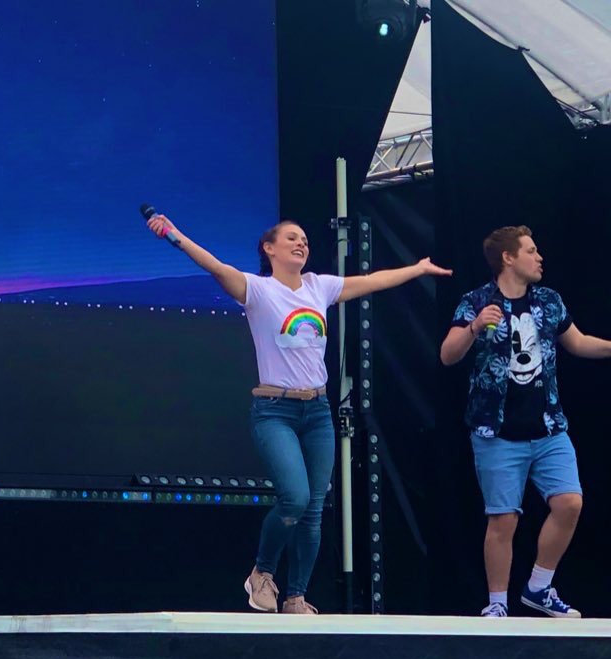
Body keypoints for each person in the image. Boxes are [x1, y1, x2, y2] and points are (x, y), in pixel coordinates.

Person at [147, 213, 450, 613]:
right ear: (269, 248)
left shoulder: (318, 287)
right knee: (295, 498)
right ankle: (262, 573)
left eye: (305, 239)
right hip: (275, 410)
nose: (301, 243)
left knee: (313, 510)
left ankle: (296, 597)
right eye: (291, 238)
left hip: (318, 411)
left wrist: (417, 269)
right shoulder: (258, 290)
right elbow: (215, 266)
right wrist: (175, 235)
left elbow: (371, 281)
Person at [441, 225, 611, 619]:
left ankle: (539, 587)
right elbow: (448, 355)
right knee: (503, 519)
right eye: (531, 251)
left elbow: (578, 342)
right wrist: (474, 327)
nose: (539, 257)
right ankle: (497, 604)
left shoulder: (548, 301)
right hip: (497, 431)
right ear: (508, 257)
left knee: (569, 503)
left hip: (548, 427)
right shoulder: (476, 301)